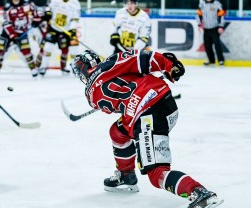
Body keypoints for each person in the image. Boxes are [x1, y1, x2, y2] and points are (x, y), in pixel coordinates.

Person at [72, 49, 224, 208]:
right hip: (162, 101)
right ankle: (126, 176)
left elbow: (113, 106)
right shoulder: (110, 63)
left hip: (148, 115)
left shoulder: (90, 96)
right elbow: (140, 58)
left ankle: (199, 193)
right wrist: (168, 64)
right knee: (117, 132)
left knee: (156, 173)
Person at [0, 0, 42, 78]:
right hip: (7, 33)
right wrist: (13, 35)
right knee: (0, 51)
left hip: (22, 32)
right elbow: (6, 23)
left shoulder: (28, 4)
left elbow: (36, 12)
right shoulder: (8, 8)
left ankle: (33, 69)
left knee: (26, 51)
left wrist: (36, 20)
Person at [37, 0, 81, 76]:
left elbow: (75, 18)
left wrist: (72, 29)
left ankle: (72, 67)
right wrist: (47, 13)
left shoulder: (75, 3)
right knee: (47, 47)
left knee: (73, 49)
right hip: (53, 28)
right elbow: (47, 7)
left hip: (67, 30)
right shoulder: (54, 1)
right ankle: (43, 67)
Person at [196, 0, 225, 66]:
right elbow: (198, 14)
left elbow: (221, 15)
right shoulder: (202, 3)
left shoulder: (217, 3)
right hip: (206, 28)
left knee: (217, 44)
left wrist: (221, 26)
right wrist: (199, 24)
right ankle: (211, 61)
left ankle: (221, 60)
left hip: (215, 28)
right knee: (207, 45)